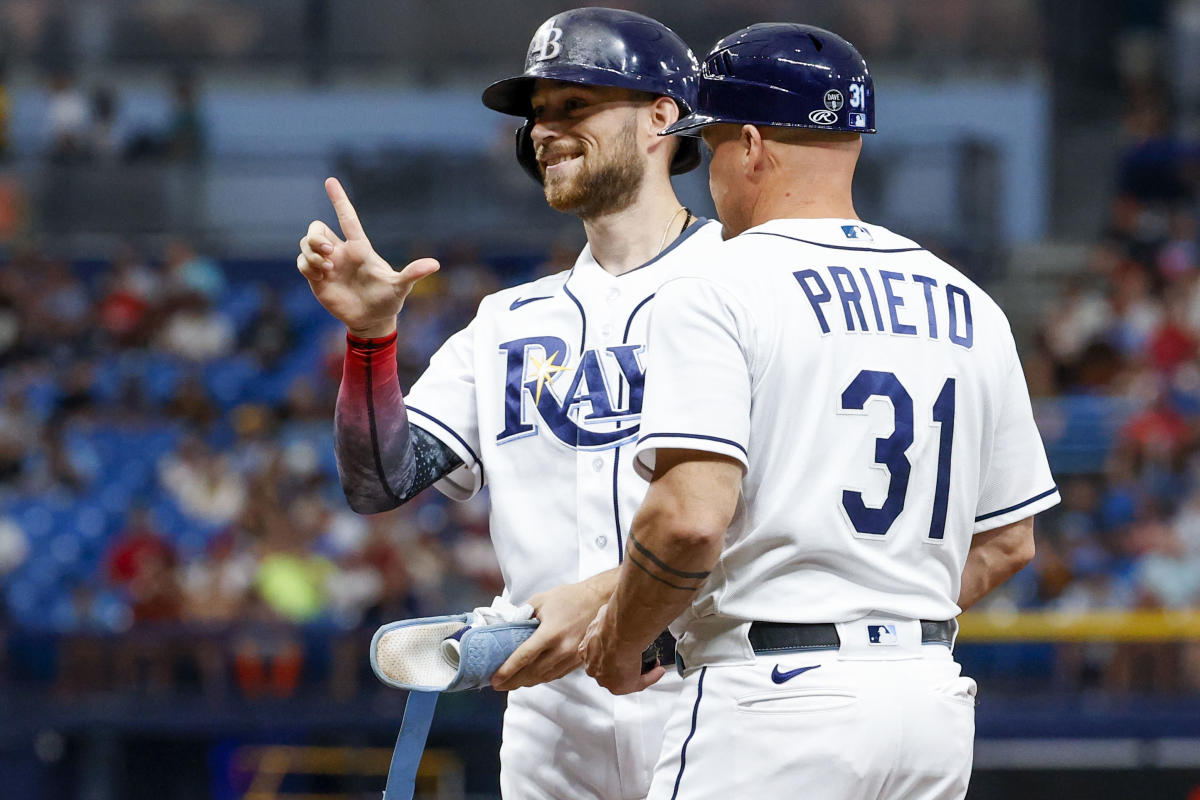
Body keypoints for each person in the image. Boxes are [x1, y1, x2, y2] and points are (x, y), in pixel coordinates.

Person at [579, 23, 1060, 799]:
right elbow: (1008, 544)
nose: (710, 177)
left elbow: (689, 520)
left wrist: (628, 636)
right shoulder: (969, 301)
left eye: (716, 147)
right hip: (928, 702)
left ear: (754, 146)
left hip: (773, 705)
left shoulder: (715, 286)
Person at [296, 8, 723, 798]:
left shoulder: (746, 285)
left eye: (576, 105)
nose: (544, 131)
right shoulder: (508, 320)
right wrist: (371, 340)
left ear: (663, 115)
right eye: (538, 114)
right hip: (549, 714)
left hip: (714, 682)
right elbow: (377, 480)